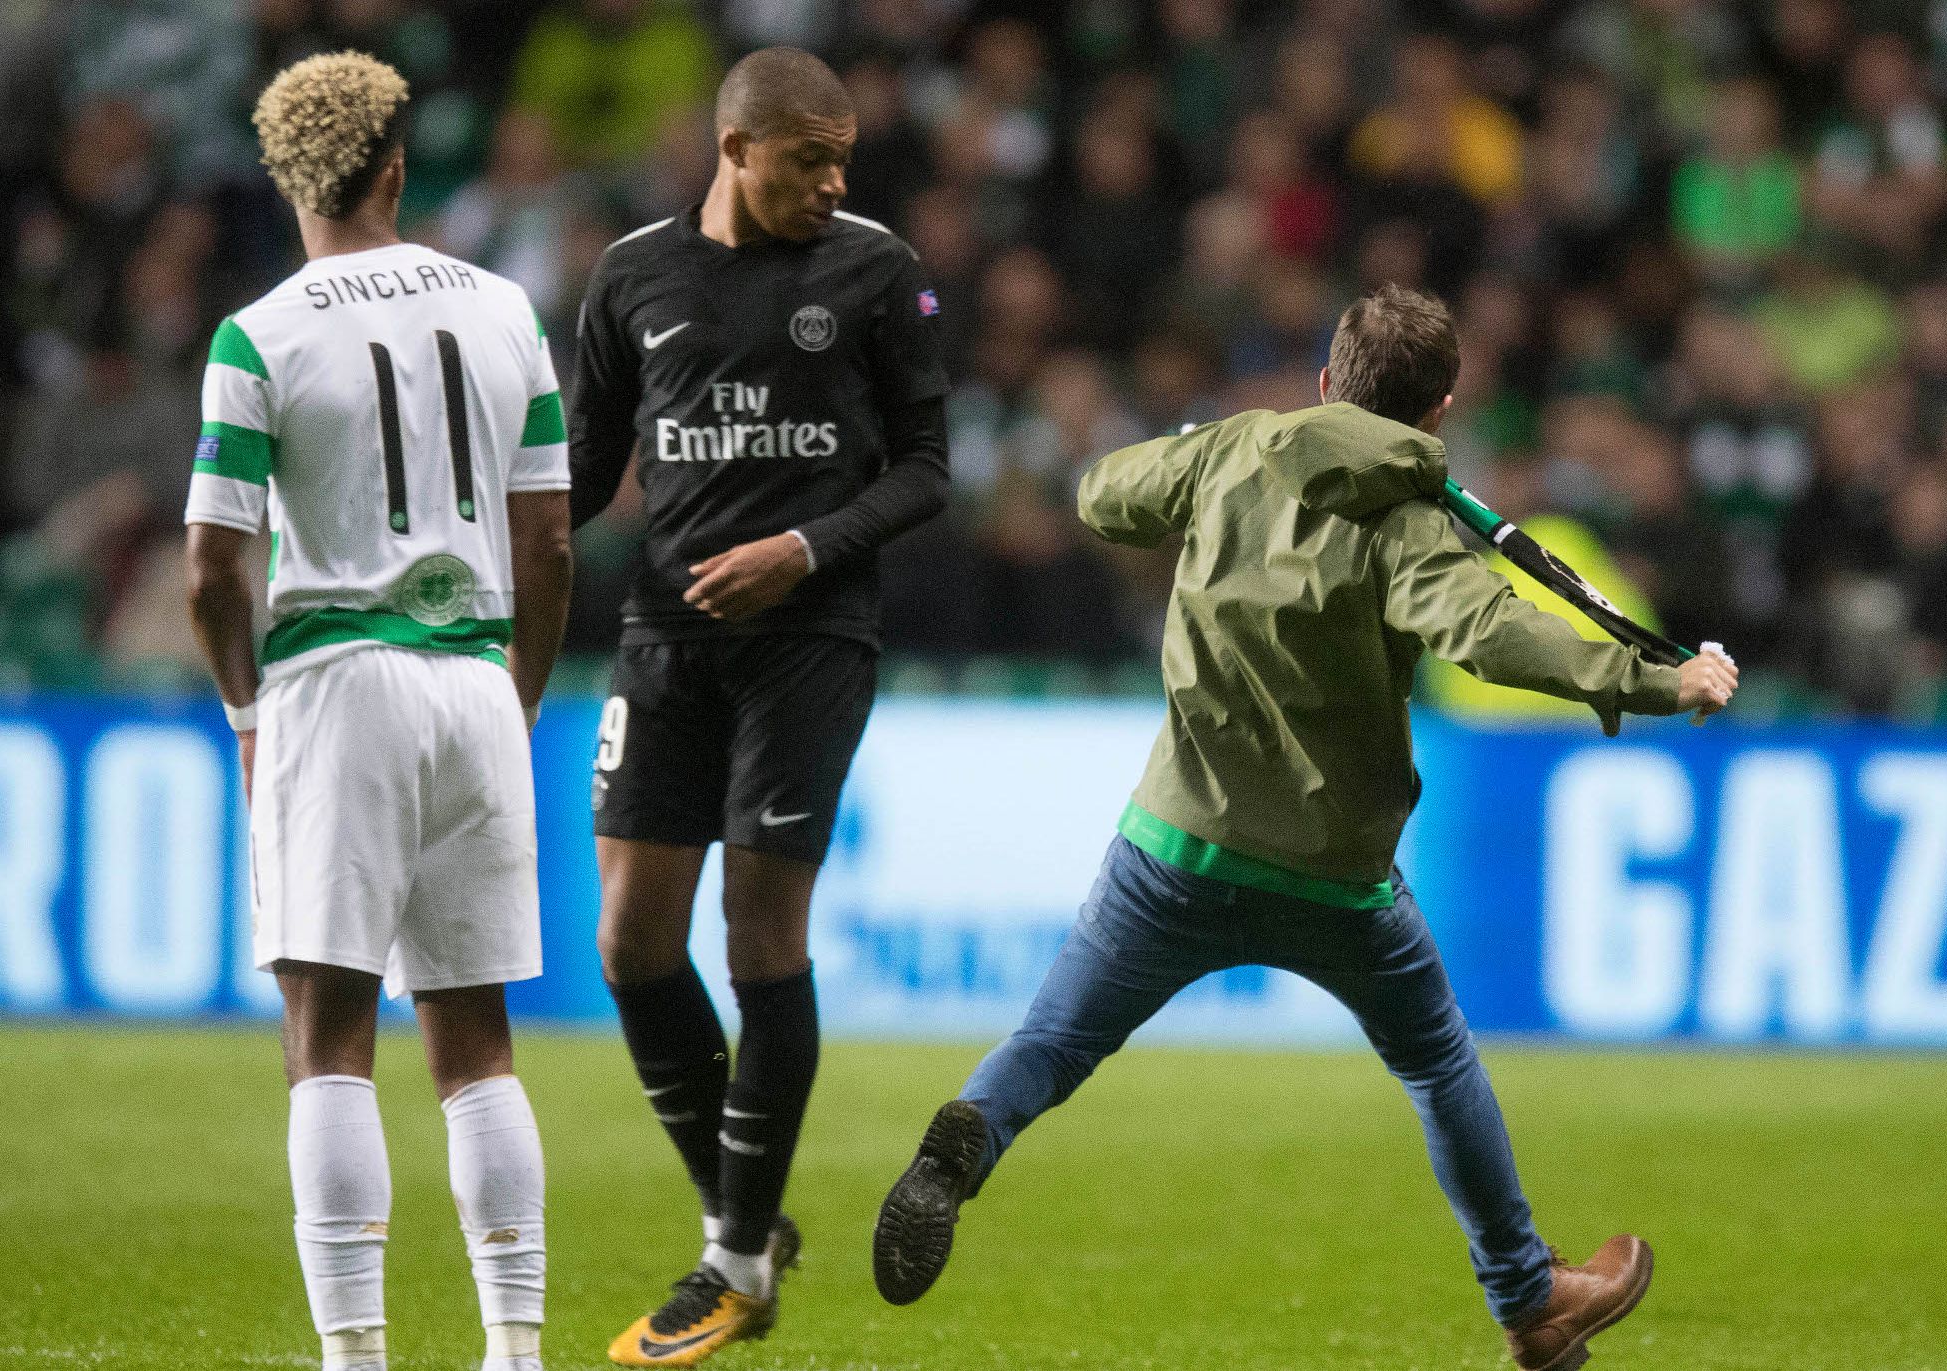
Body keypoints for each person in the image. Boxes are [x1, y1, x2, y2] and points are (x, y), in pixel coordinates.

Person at [870, 285, 1737, 1371]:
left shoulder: (1233, 451)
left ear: (1328, 381)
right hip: (1337, 881)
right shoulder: (1410, 521)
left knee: (1054, 1041)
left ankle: (974, 1137)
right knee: (1438, 1067)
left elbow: (1100, 494)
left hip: (1173, 847)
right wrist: (1660, 682)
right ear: (1440, 412)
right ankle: (1530, 1300)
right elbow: (1493, 635)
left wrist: (1202, 459)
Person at [182, 53, 573, 1371]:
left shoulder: (259, 334)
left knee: (327, 1035)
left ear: (286, 176)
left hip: (334, 680)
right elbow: (553, 540)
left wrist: (246, 714)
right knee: (476, 1043)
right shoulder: (505, 309)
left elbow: (206, 561)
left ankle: (358, 1356)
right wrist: (512, 693)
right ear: (395, 169)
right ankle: (513, 1348)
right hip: (473, 674)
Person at [563, 46, 951, 1365]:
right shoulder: (630, 277)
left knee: (758, 929)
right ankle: (746, 1216)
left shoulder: (874, 271)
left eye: (845, 160)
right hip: (663, 640)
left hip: (810, 638)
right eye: (809, 160)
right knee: (627, 941)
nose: (833, 182)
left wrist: (802, 548)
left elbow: (925, 469)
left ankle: (729, 1254)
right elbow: (582, 472)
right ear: (734, 149)